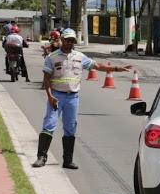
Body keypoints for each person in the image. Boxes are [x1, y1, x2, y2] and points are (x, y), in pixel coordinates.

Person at [32, 28, 131, 169]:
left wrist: (116, 68)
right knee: (49, 125)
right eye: (67, 40)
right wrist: (50, 96)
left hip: (72, 98)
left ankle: (68, 160)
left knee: (70, 128)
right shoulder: (52, 57)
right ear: (62, 40)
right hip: (56, 97)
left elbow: (97, 66)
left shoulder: (79, 56)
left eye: (72, 40)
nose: (69, 43)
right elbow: (46, 79)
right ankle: (41, 157)